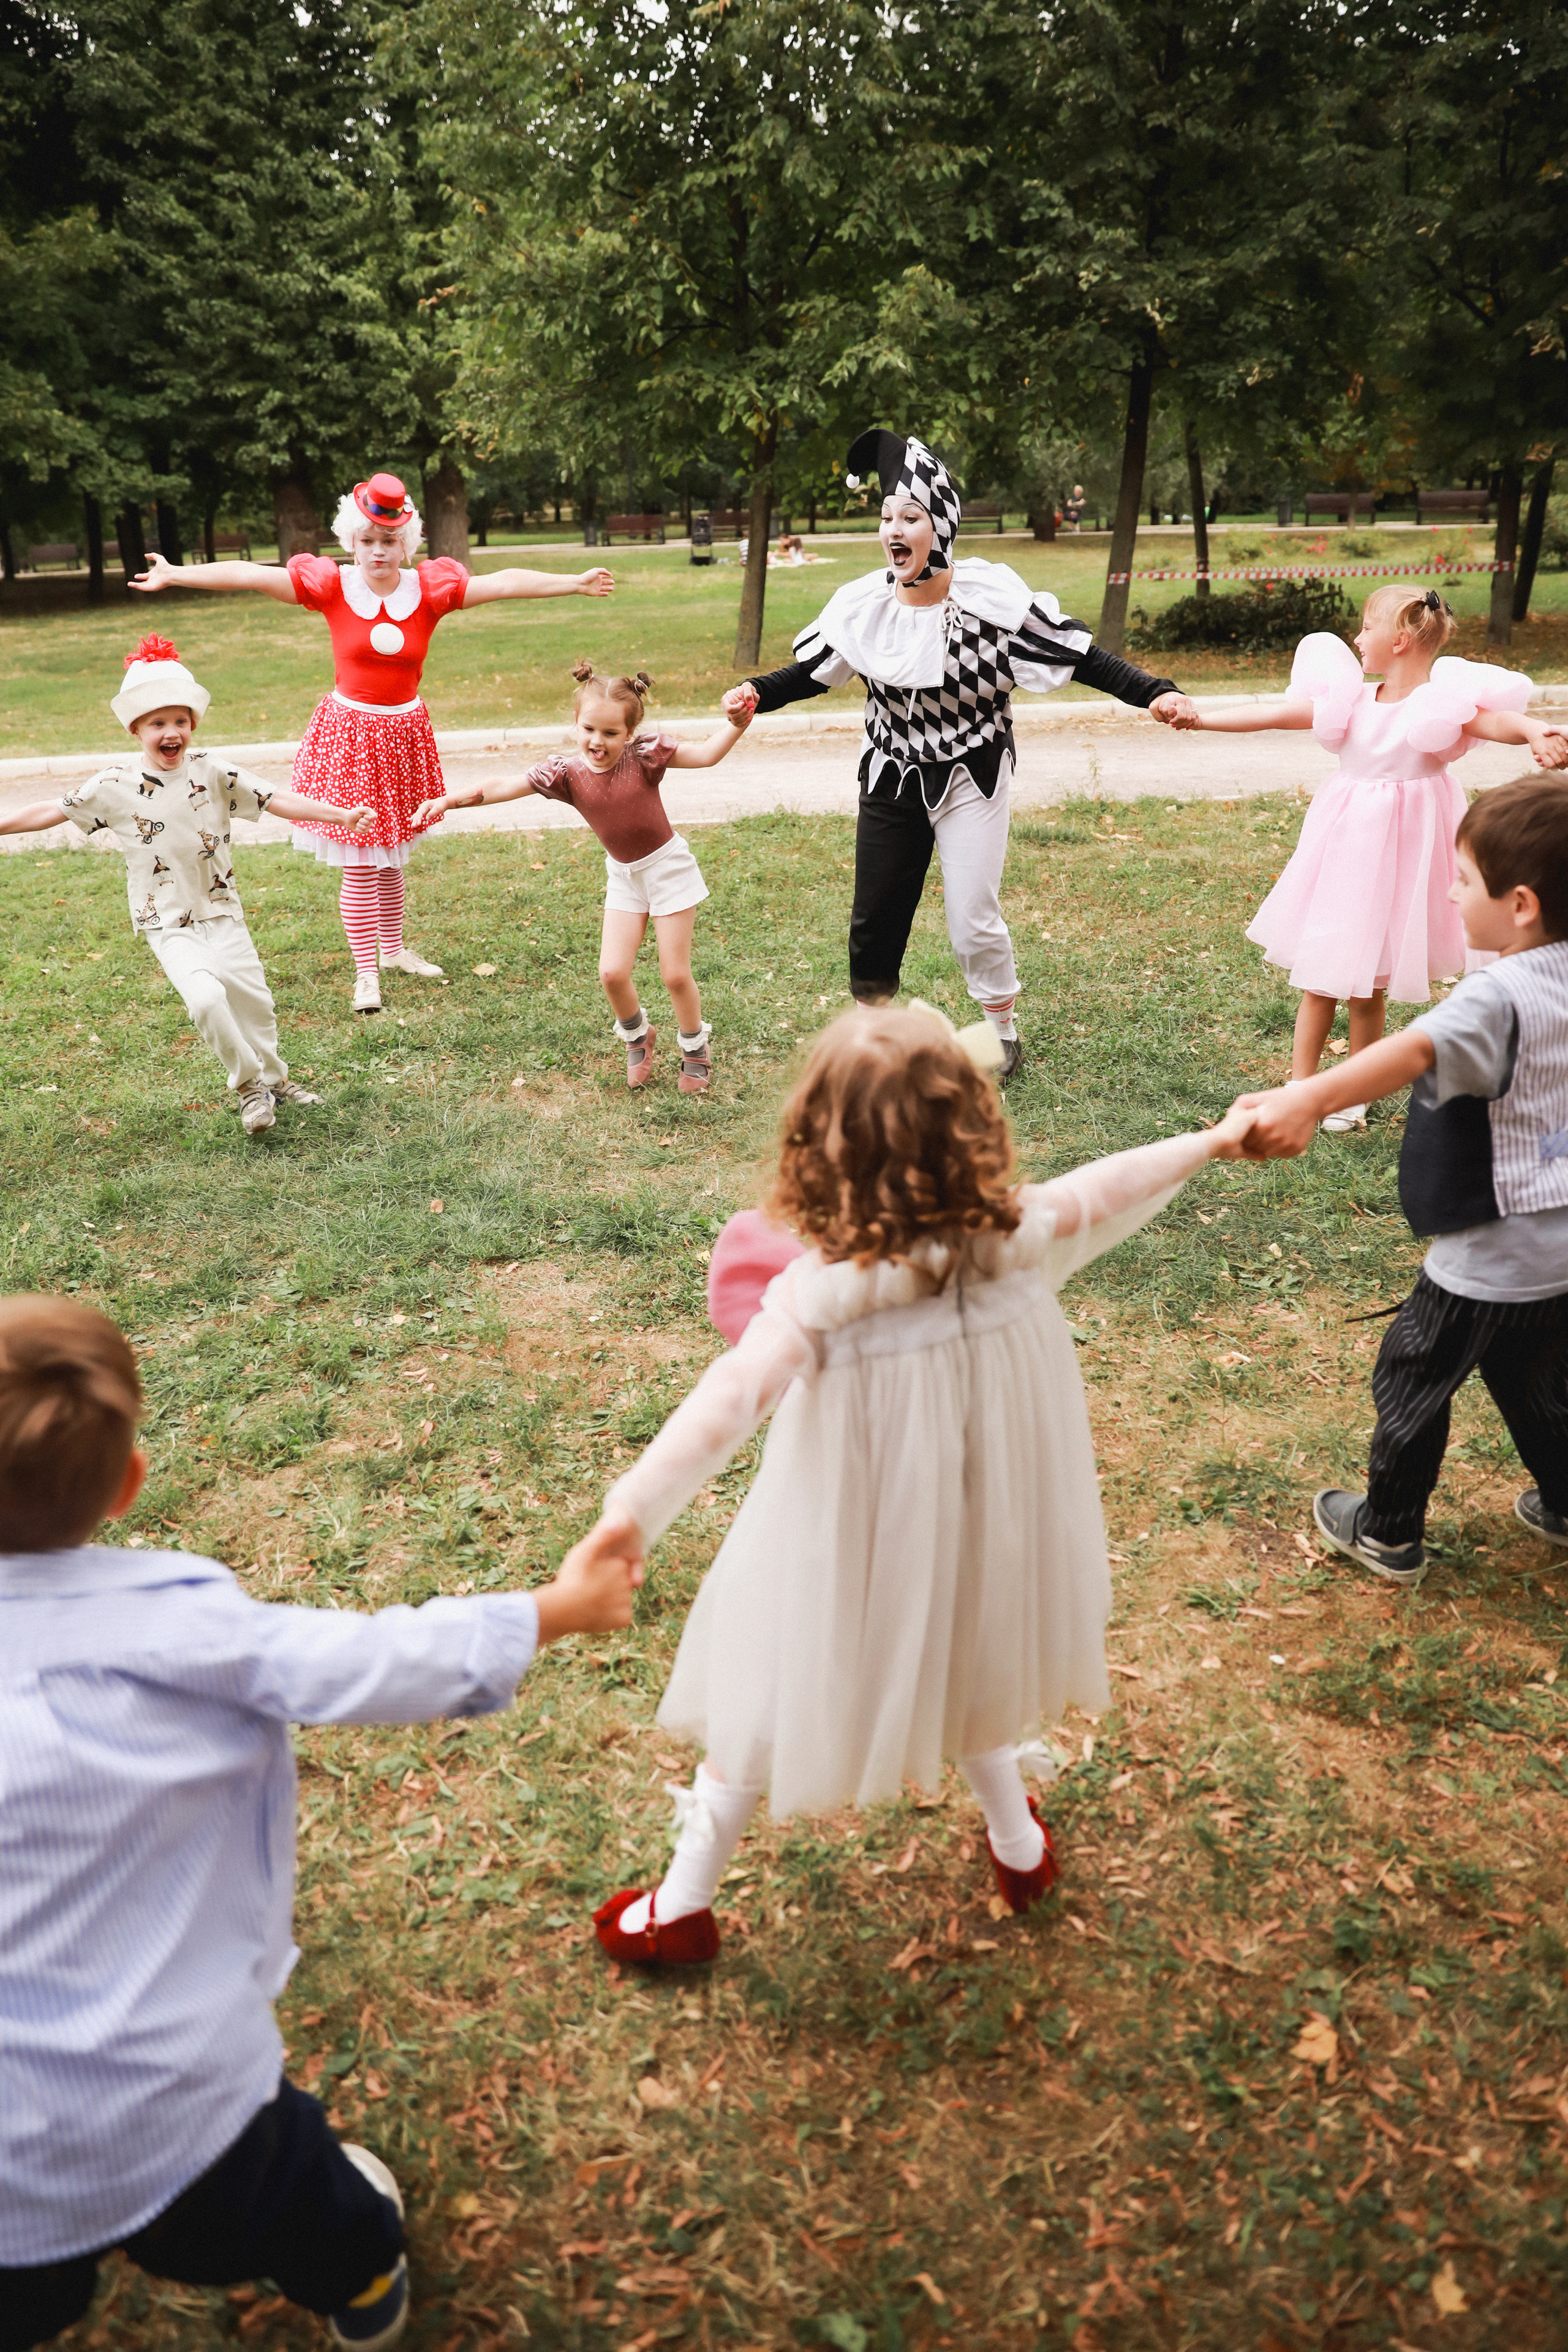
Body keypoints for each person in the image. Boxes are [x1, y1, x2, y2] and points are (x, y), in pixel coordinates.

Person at [0, 1292, 641, 2352]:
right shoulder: (182, 1622)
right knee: (313, 2215)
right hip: (185, 2097)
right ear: (126, 1484)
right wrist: (554, 1609)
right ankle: (364, 2289)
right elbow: (376, 1660)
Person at [569, 1005, 1256, 1967]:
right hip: (986, 1524)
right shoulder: (1015, 1241)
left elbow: (723, 1406)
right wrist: (1211, 1140)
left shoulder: (823, 1302)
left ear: (821, 1151)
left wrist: (629, 1512)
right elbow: (1111, 1184)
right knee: (967, 1653)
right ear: (973, 1129)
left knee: (772, 1682)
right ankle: (1019, 1848)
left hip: (853, 1541)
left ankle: (683, 1905)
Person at [722, 428, 1197, 1080]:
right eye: (887, 515)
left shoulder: (991, 608)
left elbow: (1079, 657)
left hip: (972, 773)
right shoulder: (866, 609)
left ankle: (1001, 1033)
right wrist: (756, 692)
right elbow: (818, 669)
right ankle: (870, 1038)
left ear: (939, 528)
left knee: (972, 918)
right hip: (891, 772)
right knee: (877, 913)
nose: (895, 528)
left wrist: (1154, 694)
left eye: (910, 516)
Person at [1236, 779, 1568, 1584]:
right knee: (1539, 1382)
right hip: (1559, 1249)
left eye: (1461, 880)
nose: (1449, 895)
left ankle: (1387, 1531)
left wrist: (1307, 1095)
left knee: (1413, 1377)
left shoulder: (1497, 998)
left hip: (1488, 1251)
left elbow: (1413, 1050)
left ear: (1519, 903)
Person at [131, 472, 615, 1012]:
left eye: (390, 541)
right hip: (351, 736)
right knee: (362, 858)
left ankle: (394, 950)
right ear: (351, 541)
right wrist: (176, 574)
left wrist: (573, 581)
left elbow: (502, 582)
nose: (378, 552)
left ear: (406, 544)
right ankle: (366, 973)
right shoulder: (333, 585)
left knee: (390, 857)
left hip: (404, 736)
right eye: (368, 541)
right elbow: (251, 574)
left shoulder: (429, 591)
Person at [1180, 592, 1564, 1133]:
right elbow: (1274, 713)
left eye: (1365, 629)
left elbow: (1496, 720)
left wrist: (1531, 730)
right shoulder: (1352, 701)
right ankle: (1301, 1085)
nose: (1357, 639)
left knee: (1370, 983)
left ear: (1400, 641)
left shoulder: (1440, 705)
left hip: (1406, 856)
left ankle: (1352, 1094)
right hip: (1346, 849)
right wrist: (1203, 720)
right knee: (1323, 973)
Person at [0, 636, 375, 1136]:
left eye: (180, 722)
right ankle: (249, 1088)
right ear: (137, 730)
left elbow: (277, 799)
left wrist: (341, 815)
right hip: (166, 919)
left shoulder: (213, 772)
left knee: (255, 1005)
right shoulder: (112, 784)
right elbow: (51, 810)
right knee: (204, 1000)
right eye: (158, 723)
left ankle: (276, 1081)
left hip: (222, 910)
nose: (171, 732)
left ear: (192, 726)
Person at [413, 662, 751, 1094]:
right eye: (589, 729)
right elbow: (500, 786)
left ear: (629, 733)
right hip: (625, 876)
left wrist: (736, 725)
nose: (598, 741)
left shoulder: (645, 756)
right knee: (611, 973)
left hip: (668, 870)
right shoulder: (566, 774)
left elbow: (705, 756)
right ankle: (638, 1038)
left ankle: (694, 1048)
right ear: (576, 724)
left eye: (611, 733)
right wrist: (448, 802)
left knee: (675, 975)